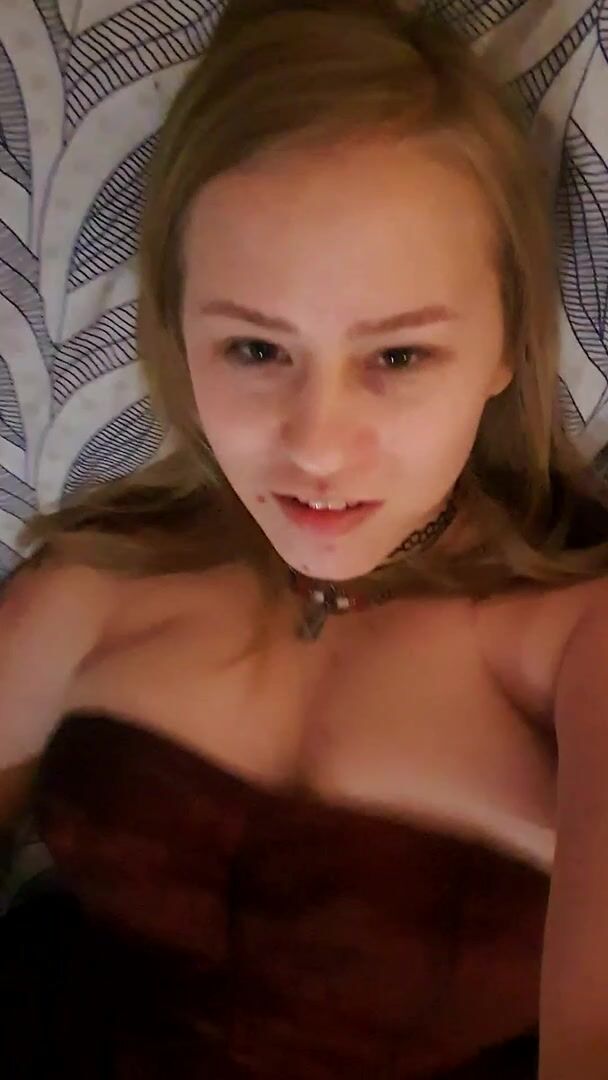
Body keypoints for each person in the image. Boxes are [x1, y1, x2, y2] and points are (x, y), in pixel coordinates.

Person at [2, 1, 608, 1075]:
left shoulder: (578, 650)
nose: (317, 447)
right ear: (177, 333)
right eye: (255, 349)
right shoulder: (86, 589)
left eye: (398, 357)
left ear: (507, 347)